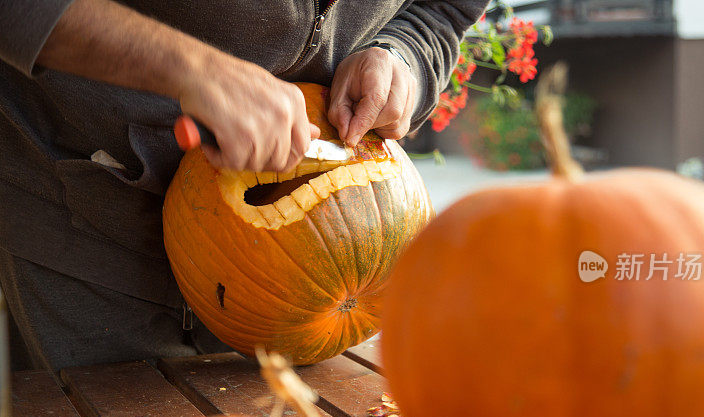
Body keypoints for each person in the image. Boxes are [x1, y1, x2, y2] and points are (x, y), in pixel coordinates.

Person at [0, 0, 489, 370]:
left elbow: (446, 7)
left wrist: (403, 52)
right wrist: (191, 68)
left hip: (312, 289)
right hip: (86, 223)